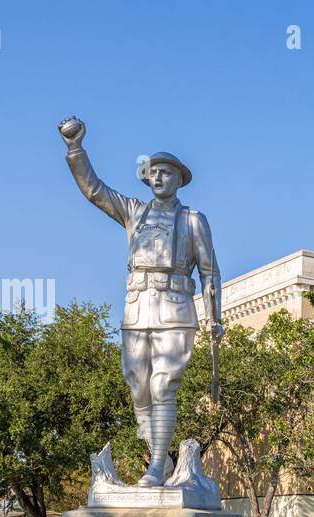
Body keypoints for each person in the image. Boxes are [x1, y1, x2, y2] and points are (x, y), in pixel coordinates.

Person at [58, 116, 222, 486]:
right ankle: (161, 460)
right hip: (137, 306)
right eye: (154, 172)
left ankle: (152, 469)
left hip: (176, 307)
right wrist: (75, 148)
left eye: (167, 172)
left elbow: (210, 272)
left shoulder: (194, 220)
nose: (159, 177)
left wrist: (215, 316)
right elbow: (94, 190)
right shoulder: (134, 212)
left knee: (163, 386)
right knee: (138, 387)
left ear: (179, 180)